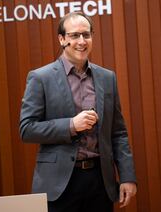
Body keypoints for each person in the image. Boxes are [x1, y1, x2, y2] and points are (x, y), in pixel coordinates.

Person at [19, 12, 137, 212]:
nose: (81, 41)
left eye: (86, 35)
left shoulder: (107, 78)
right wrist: (71, 125)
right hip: (59, 184)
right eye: (74, 36)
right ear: (62, 39)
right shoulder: (41, 78)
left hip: (100, 182)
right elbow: (27, 129)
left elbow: (118, 133)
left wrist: (127, 176)